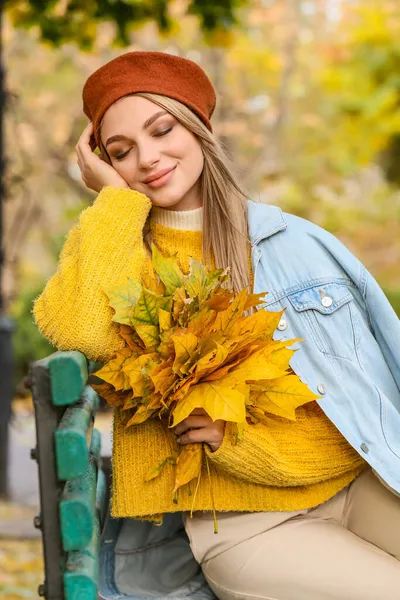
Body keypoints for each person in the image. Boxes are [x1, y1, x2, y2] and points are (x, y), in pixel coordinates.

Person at [33, 51, 400, 600]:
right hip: (246, 527)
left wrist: (237, 441)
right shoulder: (120, 251)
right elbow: (82, 332)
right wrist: (115, 202)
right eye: (121, 152)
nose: (149, 159)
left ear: (200, 128)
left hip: (358, 484)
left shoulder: (294, 244)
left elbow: (362, 405)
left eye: (162, 130)